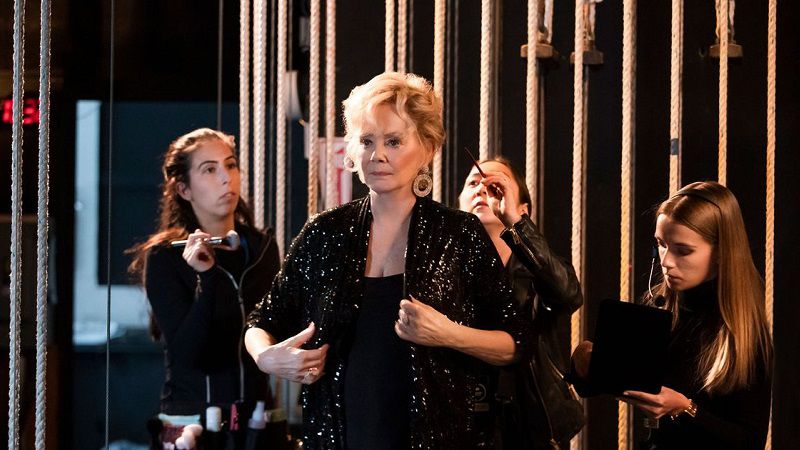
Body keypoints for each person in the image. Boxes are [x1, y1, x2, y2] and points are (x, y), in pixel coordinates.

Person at [244, 72, 533, 449]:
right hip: (336, 438)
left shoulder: (459, 234)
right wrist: (266, 357)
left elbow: (516, 342)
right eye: (366, 141)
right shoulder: (324, 232)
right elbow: (262, 320)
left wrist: (449, 334)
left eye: (393, 141)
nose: (377, 155)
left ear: (428, 148)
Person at [572, 181, 773, 449]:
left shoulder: (745, 334)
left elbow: (749, 442)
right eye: (661, 244)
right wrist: (585, 364)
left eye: (683, 250)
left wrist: (685, 409)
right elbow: (603, 386)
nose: (666, 261)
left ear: (721, 252)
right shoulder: (659, 306)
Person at [128, 128, 281, 416]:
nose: (226, 178)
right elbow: (189, 356)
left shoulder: (261, 248)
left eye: (230, 165)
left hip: (259, 418)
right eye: (210, 169)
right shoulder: (166, 256)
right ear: (183, 190)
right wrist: (208, 278)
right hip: (192, 420)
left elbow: (279, 327)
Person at [458, 158, 584, 449]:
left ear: (523, 209)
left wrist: (515, 223)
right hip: (463, 420)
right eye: (473, 183)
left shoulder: (538, 268)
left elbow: (568, 295)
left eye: (496, 185)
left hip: (529, 422)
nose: (481, 189)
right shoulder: (444, 268)